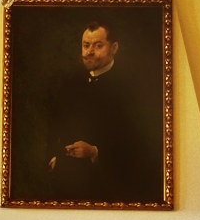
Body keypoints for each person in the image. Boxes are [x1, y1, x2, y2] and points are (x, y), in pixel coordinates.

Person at [43, 19, 161, 203]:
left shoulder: (131, 88)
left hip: (110, 187)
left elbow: (140, 144)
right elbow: (54, 125)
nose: (90, 52)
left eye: (98, 46)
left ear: (114, 48)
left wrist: (95, 152)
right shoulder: (70, 83)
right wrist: (54, 158)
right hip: (68, 185)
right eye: (86, 45)